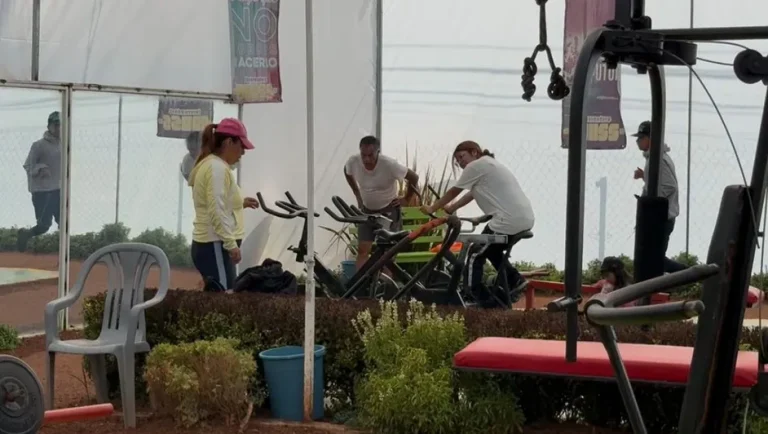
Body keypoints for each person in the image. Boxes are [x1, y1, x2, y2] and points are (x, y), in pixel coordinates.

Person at [421, 140, 534, 304]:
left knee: (475, 252)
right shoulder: (489, 164)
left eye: (462, 157)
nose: (460, 162)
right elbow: (473, 193)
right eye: (457, 161)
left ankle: (471, 295)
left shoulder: (476, 165)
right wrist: (453, 208)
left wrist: (433, 208)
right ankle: (514, 280)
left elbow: (455, 191)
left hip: (507, 221)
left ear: (474, 152)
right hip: (523, 218)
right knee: (491, 250)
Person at [188, 118, 259, 292]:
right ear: (228, 142)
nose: (243, 153)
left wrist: (240, 203)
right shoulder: (217, 169)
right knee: (224, 297)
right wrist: (231, 244)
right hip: (214, 244)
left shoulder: (213, 165)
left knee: (220, 295)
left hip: (213, 245)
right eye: (241, 146)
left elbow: (218, 201)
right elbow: (217, 209)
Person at [344, 135, 420, 270]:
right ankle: (361, 282)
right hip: (367, 211)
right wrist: (357, 194)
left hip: (388, 210)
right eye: (363, 155)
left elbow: (414, 177)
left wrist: (406, 199)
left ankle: (385, 282)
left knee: (388, 253)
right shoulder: (353, 161)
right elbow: (347, 171)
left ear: (378, 152)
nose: (366, 160)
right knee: (362, 250)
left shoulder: (389, 164)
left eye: (370, 155)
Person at [631, 120, 687, 273]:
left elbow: (670, 186)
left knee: (654, 259)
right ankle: (687, 275)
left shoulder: (659, 159)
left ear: (652, 138)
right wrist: (645, 176)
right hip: (659, 216)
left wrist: (652, 202)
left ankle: (690, 273)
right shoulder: (654, 158)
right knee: (652, 259)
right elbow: (660, 182)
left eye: (641, 137)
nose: (637, 141)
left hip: (661, 217)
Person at [17, 111, 62, 252]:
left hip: (59, 189)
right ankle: (25, 235)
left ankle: (63, 253)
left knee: (64, 222)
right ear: (49, 127)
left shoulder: (64, 145)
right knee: (44, 226)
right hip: (42, 192)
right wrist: (41, 168)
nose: (59, 128)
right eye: (56, 125)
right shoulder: (38, 145)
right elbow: (28, 165)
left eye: (61, 125)